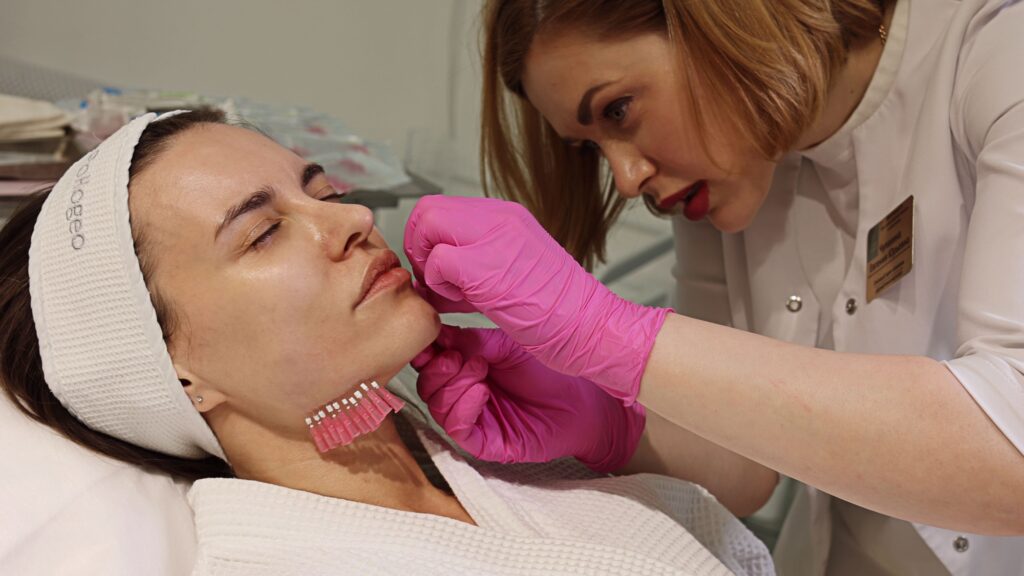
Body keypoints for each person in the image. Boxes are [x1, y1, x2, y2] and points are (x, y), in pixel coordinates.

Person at [0, 109, 774, 575]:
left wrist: (616, 426)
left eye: (325, 191)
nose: (354, 219)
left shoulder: (482, 446)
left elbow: (753, 487)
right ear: (174, 370)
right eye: (264, 232)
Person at [405, 0, 1024, 574]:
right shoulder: (730, 170)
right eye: (590, 149)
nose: (626, 178)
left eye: (619, 110)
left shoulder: (997, 54)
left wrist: (610, 336)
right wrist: (610, 425)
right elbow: (748, 465)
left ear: (718, 19)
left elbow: (1012, 457)